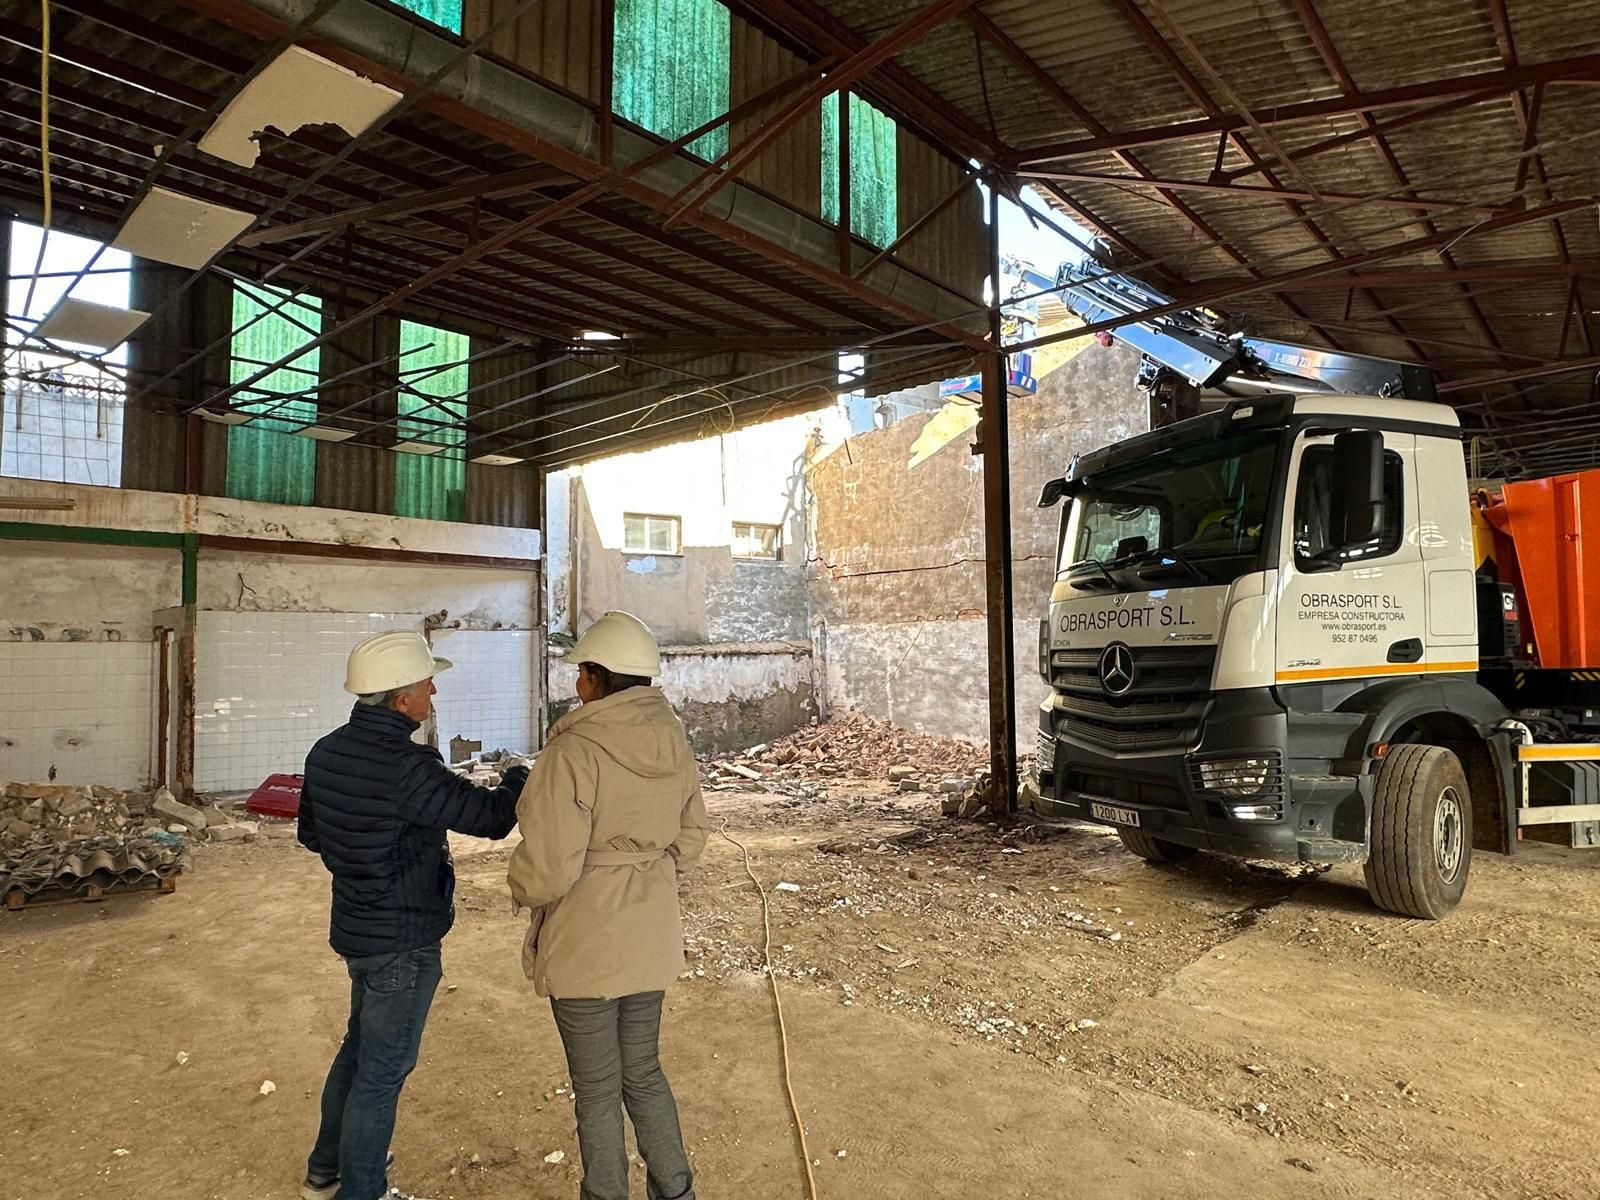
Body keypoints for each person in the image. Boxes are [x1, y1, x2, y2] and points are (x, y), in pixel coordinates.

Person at [297, 630, 529, 1200]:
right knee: (383, 1070)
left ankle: (326, 1171)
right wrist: (520, 776)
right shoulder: (409, 767)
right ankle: (363, 1191)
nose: (433, 692)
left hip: (358, 928)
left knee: (359, 1051)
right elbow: (494, 819)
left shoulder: (326, 751)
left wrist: (363, 860)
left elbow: (310, 834)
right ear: (401, 699)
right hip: (403, 937)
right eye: (428, 683)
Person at [508, 610, 710, 1200]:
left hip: (584, 940)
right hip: (650, 932)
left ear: (592, 680)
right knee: (643, 1072)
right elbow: (691, 837)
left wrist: (519, 888)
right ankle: (677, 1192)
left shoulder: (574, 750)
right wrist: (645, 874)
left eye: (582, 673)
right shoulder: (674, 739)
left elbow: (548, 866)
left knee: (597, 1087)